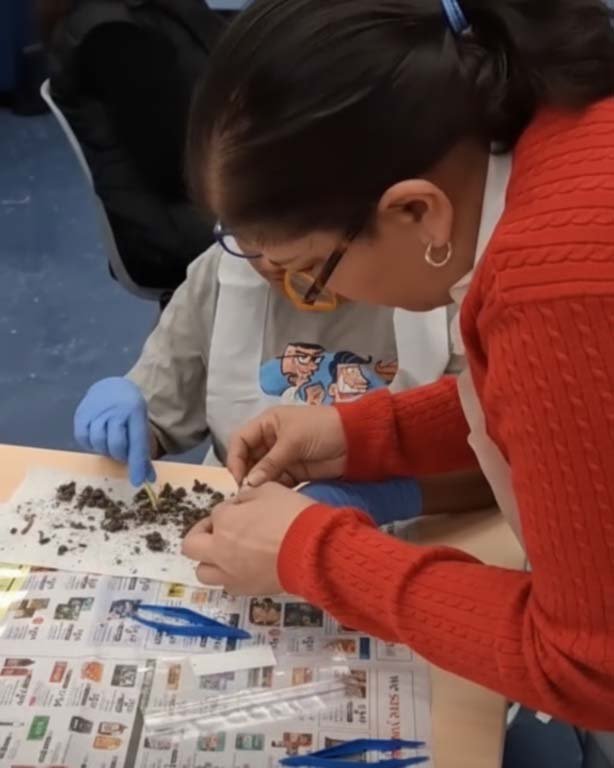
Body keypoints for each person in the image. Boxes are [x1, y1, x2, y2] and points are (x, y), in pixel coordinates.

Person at [178, 0, 614, 734]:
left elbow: (590, 667)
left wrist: (313, 553)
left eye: (314, 273)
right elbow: (567, 408)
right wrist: (357, 433)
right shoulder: (555, 127)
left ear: (417, 213)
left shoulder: (557, 288)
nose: (324, 298)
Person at [74, 237, 493, 525]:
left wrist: (388, 498)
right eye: (248, 235)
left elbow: (498, 470)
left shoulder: (448, 284)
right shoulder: (222, 274)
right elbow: (157, 420)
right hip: (244, 520)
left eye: (296, 242)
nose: (271, 261)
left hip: (417, 529)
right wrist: (129, 428)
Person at [39, 0, 224, 296]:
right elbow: (173, 171)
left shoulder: (149, 13)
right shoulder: (112, 36)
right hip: (177, 227)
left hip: (199, 201)